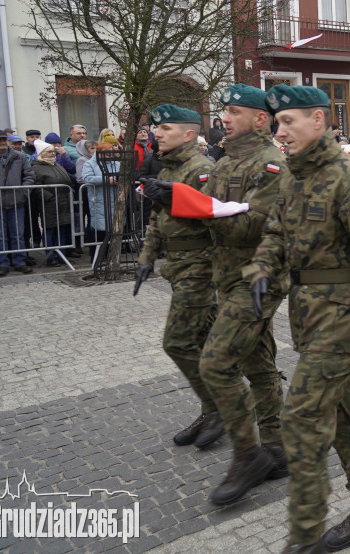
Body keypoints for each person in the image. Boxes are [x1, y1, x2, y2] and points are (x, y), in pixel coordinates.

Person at [240, 85, 350, 554]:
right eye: (276, 122)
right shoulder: (290, 176)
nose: (279, 131)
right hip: (306, 314)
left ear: (318, 120)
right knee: (340, 416)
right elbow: (273, 230)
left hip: (343, 316)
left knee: (303, 417)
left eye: (288, 121)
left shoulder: (349, 176)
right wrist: (261, 270)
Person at [146, 84, 290, 506]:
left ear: (260, 119)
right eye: (224, 110)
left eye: (233, 110)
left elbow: (252, 226)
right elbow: (208, 212)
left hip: (256, 279)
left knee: (216, 363)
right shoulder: (228, 160)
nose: (224, 117)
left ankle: (248, 457)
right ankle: (277, 448)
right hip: (226, 277)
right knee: (258, 364)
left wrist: (184, 202)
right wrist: (177, 204)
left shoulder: (270, 164)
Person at [134, 105, 224, 450]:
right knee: (203, 344)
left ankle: (220, 407)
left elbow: (216, 219)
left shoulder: (202, 170)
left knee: (177, 342)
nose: (157, 133)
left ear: (189, 134)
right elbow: (157, 220)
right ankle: (214, 407)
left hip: (200, 268)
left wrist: (173, 199)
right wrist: (145, 259)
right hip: (178, 266)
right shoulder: (169, 167)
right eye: (156, 128)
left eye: (165, 128)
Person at [0, 130, 35, 275]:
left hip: (17, 201)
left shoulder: (19, 156)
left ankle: (19, 262)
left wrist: (24, 192)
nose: (3, 142)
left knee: (18, 234)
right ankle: (2, 263)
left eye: (4, 139)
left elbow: (29, 176)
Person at [30, 140, 75, 266]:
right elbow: (36, 186)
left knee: (61, 230)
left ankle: (62, 254)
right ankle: (50, 257)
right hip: (49, 203)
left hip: (63, 202)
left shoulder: (56, 165)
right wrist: (49, 197)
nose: (53, 154)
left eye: (53, 151)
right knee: (50, 230)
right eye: (49, 152)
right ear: (42, 154)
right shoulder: (36, 167)